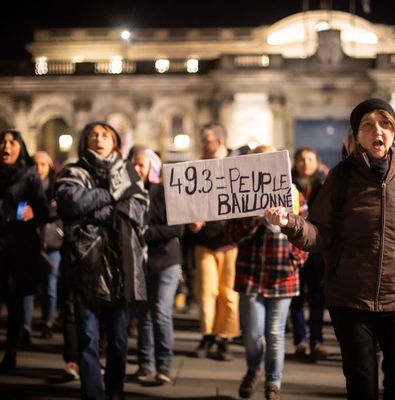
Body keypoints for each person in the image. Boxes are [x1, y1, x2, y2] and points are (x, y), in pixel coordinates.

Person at [264, 98, 395, 400]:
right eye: (368, 125)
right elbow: (318, 234)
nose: (377, 130)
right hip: (350, 299)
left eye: (385, 124)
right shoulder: (341, 177)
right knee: (361, 385)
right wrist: (289, 222)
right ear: (357, 135)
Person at [55, 121, 149, 400]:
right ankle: (93, 394)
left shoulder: (129, 172)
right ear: (84, 141)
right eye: (93, 135)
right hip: (86, 264)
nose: (99, 139)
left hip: (121, 266)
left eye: (105, 135)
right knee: (88, 336)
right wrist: (111, 196)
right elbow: (71, 202)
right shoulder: (74, 171)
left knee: (119, 338)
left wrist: (94, 209)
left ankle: (115, 387)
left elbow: (138, 209)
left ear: (116, 142)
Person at [225, 145, 308, 400]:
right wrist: (255, 216)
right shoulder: (243, 196)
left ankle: (273, 383)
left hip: (282, 273)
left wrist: (296, 260)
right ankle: (253, 367)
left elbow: (304, 234)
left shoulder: (295, 196)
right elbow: (231, 235)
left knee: (275, 332)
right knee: (251, 333)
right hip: (250, 273)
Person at [0, 129, 49, 373]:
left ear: (20, 148)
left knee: (15, 303)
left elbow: (42, 209)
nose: (6, 146)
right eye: (2, 141)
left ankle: (11, 353)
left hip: (17, 248)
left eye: (12, 142)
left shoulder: (29, 175)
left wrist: (32, 212)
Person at [128, 146, 183, 385]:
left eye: (141, 164)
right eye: (133, 164)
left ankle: (164, 365)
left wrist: (146, 233)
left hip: (166, 260)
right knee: (143, 315)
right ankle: (145, 364)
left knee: (160, 312)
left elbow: (177, 228)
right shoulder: (128, 193)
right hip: (140, 262)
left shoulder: (164, 192)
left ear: (152, 166)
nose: (137, 169)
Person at [189, 122, 240, 361]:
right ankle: (207, 334)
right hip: (205, 240)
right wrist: (191, 219)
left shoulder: (237, 165)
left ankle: (225, 337)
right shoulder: (197, 167)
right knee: (206, 290)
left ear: (219, 142)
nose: (203, 144)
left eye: (206, 139)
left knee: (228, 293)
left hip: (231, 241)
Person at [289, 147, 328, 361]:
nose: (305, 163)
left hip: (317, 251)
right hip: (295, 247)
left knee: (317, 298)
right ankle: (300, 340)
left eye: (310, 159)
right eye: (301, 159)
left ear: (317, 163)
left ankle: (317, 340)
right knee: (296, 296)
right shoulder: (288, 185)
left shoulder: (325, 186)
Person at [22, 151, 63, 344]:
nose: (39, 168)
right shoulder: (25, 186)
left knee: (50, 285)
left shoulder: (55, 188)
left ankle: (48, 321)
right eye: (35, 164)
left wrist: (38, 210)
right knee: (28, 285)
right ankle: (26, 325)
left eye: (43, 165)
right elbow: (20, 211)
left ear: (50, 167)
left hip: (52, 242)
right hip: (30, 240)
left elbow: (57, 211)